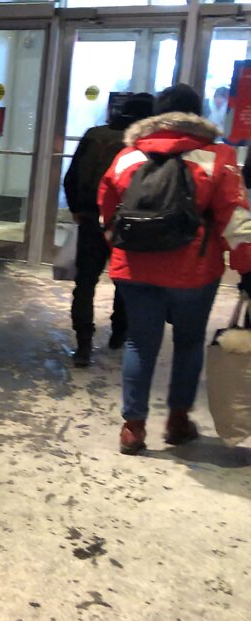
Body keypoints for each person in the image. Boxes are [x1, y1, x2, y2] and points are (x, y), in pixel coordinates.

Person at [98, 83, 251, 454]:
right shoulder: (218, 156)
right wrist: (246, 266)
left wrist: (114, 241)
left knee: (139, 341)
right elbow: (235, 217)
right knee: (188, 342)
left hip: (135, 266)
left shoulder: (129, 155)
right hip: (193, 270)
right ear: (197, 115)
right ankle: (177, 421)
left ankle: (133, 428)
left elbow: (107, 203)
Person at [62, 92, 154, 366]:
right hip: (130, 222)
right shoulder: (145, 145)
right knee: (125, 280)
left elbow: (72, 176)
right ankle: (118, 332)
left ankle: (83, 345)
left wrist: (77, 208)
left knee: (85, 282)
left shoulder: (94, 134)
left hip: (91, 218)